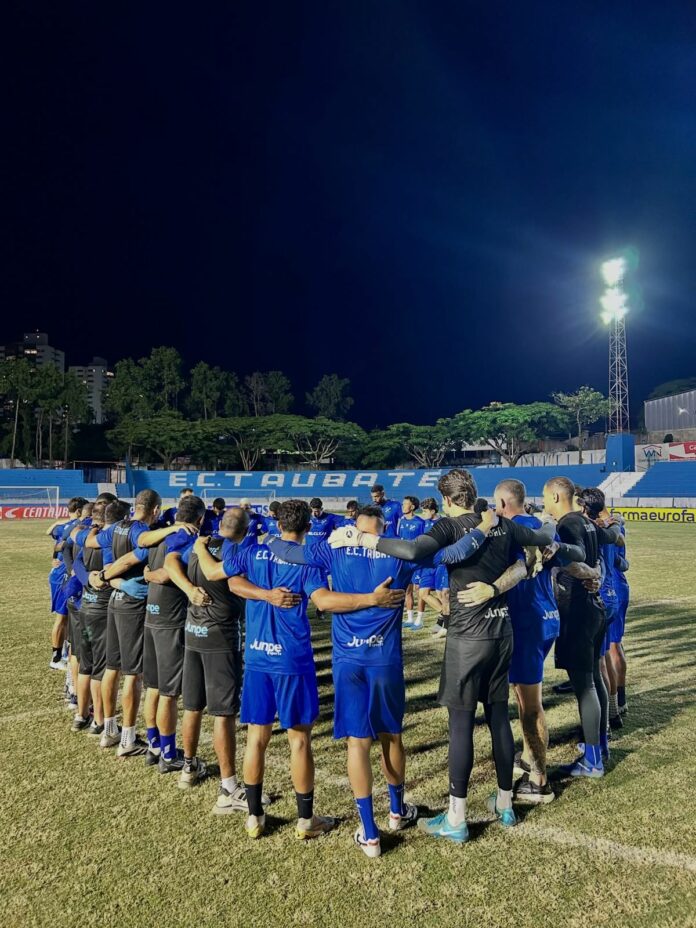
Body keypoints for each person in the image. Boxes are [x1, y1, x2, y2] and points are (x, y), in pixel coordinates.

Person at [329, 469, 567, 843]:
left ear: (448, 500)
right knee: (499, 718)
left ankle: (456, 817)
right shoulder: (503, 524)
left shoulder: (446, 527)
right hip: (502, 632)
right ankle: (505, 803)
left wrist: (362, 537)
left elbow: (410, 551)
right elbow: (543, 536)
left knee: (460, 724)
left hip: (467, 639)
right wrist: (553, 522)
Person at [267, 503, 490, 858]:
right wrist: (484, 527)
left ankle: (370, 834)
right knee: (392, 736)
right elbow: (457, 553)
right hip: (385, 661)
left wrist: (265, 534)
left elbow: (283, 549)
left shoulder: (332, 548)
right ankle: (398, 812)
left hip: (347, 660)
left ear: (354, 526)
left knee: (357, 744)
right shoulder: (398, 553)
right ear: (383, 528)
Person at [196, 499, 409, 840]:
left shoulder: (253, 550)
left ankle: (254, 816)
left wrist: (261, 593)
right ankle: (306, 821)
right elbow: (323, 601)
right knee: (299, 741)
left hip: (257, 657)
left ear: (277, 523)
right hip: (292, 659)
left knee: (256, 737)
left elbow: (228, 580)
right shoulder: (308, 563)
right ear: (310, 526)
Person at [85, 490, 189, 755]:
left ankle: (109, 728)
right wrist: (173, 528)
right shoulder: (140, 531)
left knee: (112, 667)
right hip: (132, 604)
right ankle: (128, 738)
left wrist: (106, 576)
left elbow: (92, 542)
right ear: (155, 510)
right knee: (133, 674)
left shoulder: (118, 526)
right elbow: (140, 545)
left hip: (116, 600)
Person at [542, 477, 622, 777]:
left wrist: (577, 569)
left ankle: (593, 760)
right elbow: (608, 542)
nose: (546, 503)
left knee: (585, 685)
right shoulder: (587, 522)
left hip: (577, 609)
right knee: (594, 679)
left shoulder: (568, 524)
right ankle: (599, 746)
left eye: (547, 497)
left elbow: (569, 556)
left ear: (558, 495)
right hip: (594, 608)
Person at [177, 507, 254, 812]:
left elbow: (171, 561)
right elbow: (222, 577)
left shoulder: (202, 544)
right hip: (220, 637)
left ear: (220, 524)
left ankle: (188, 767)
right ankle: (229, 787)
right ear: (246, 530)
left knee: (193, 705)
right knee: (223, 713)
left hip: (192, 631)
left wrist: (188, 589)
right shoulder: (240, 549)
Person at [493, 479, 560, 804]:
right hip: (547, 616)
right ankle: (528, 757)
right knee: (525, 698)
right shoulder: (539, 525)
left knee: (529, 706)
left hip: (527, 623)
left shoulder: (510, 531)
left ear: (504, 504)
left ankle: (539, 781)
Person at [142, 494, 211, 773]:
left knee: (155, 688)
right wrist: (190, 590)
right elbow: (167, 570)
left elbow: (141, 553)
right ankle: (169, 755)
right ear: (200, 518)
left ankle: (154, 745)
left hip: (151, 616)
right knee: (169, 693)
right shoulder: (186, 537)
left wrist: (147, 575)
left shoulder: (158, 534)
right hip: (170, 621)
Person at [70, 499, 131, 734]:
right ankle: (100, 721)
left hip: (84, 606)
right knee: (101, 669)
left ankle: (81, 715)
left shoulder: (85, 538)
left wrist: (88, 580)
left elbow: (76, 564)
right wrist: (99, 579)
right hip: (102, 609)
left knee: (86, 665)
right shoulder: (110, 542)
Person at [397, 496, 426, 629]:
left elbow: (424, 542)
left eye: (405, 504)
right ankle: (409, 619)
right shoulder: (401, 521)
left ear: (412, 507)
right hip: (404, 561)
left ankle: (419, 619)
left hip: (417, 562)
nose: (403, 506)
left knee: (419, 591)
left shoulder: (420, 522)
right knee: (407, 590)